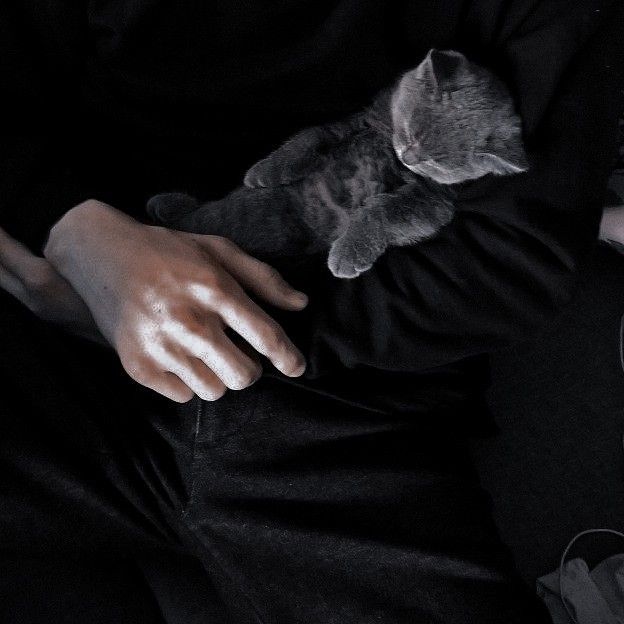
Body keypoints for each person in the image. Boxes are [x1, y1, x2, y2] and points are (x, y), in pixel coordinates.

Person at [1, 1, 622, 622]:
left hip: (336, 391)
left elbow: (512, 265)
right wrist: (71, 227)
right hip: (69, 310)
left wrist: (236, 323)